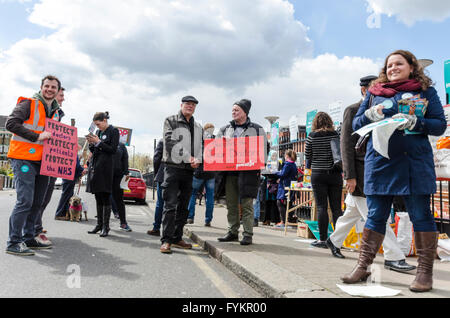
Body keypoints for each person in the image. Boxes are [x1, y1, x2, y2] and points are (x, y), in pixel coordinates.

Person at [343, 50, 446, 293]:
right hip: (381, 162)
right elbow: (356, 125)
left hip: (413, 163)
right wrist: (367, 115)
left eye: (399, 64)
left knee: (420, 214)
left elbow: (440, 124)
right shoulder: (374, 93)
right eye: (389, 65)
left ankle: (424, 273)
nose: (393, 68)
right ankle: (363, 266)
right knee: (376, 214)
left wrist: (416, 123)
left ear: (411, 66)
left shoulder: (426, 91)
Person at [326, 75, 416, 273]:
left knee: (353, 213)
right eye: (376, 88)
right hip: (360, 174)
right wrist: (349, 175)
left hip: (376, 171)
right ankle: (394, 256)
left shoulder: (383, 111)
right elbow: (346, 144)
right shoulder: (353, 110)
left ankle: (333, 240)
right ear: (365, 90)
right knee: (378, 216)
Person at [5, 75, 62, 255]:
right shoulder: (29, 104)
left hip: (43, 162)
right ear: (41, 87)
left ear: (57, 90)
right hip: (23, 159)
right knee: (25, 201)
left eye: (53, 87)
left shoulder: (55, 111)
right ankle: (14, 242)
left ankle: (29, 237)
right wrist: (36, 136)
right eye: (47, 86)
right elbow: (10, 123)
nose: (50, 89)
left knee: (38, 202)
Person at [216, 99, 267, 245]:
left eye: (237, 110)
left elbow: (264, 150)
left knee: (247, 204)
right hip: (230, 172)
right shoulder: (224, 129)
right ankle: (232, 231)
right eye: (232, 110)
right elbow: (216, 148)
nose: (233, 112)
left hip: (248, 172)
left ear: (245, 112)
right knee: (231, 203)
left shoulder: (257, 129)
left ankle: (248, 234)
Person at [160, 96, 203, 254]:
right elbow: (170, 141)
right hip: (172, 167)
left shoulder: (198, 127)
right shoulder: (170, 120)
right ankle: (166, 241)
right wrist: (188, 157)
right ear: (181, 105)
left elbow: (201, 146)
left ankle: (177, 237)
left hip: (189, 170)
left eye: (193, 105)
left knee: (184, 207)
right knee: (170, 205)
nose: (190, 107)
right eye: (187, 104)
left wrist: (198, 159)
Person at [305, 112, 343, 249]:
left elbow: (308, 155)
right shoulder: (335, 135)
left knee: (321, 207)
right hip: (335, 174)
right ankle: (338, 241)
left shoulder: (312, 136)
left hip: (318, 174)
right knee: (336, 208)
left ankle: (322, 240)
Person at [33, 86, 66, 244]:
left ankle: (36, 226)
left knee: (45, 198)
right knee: (36, 198)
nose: (63, 98)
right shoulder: (41, 109)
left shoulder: (57, 113)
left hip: (50, 161)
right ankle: (35, 229)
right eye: (61, 95)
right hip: (38, 159)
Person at [86, 112, 119, 238]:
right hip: (96, 166)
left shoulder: (113, 131)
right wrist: (91, 143)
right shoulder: (99, 133)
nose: (98, 127)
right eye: (96, 125)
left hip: (106, 167)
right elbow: (95, 150)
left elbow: (112, 150)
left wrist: (99, 142)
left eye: (99, 124)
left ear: (104, 120)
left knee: (105, 195)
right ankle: (99, 224)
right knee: (98, 195)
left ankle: (106, 226)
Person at [187, 123, 216, 227]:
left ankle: (190, 217)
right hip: (211, 172)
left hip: (199, 171)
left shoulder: (199, 140)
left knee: (192, 194)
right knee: (210, 197)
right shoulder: (216, 141)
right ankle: (208, 220)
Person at [54, 152, 85, 220]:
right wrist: (82, 170)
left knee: (68, 196)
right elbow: (76, 165)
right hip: (69, 176)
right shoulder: (71, 153)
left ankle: (66, 214)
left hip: (68, 175)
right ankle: (59, 214)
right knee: (66, 196)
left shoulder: (70, 152)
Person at [111, 142, 131, 232]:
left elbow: (125, 159)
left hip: (118, 176)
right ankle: (103, 224)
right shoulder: (102, 142)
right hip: (105, 175)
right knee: (104, 199)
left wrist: (126, 172)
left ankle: (123, 223)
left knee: (119, 200)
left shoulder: (121, 146)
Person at [275, 149, 298, 227]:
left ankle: (283, 221)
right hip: (290, 185)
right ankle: (289, 220)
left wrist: (275, 172)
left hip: (285, 187)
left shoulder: (288, 164)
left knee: (280, 202)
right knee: (288, 203)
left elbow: (283, 174)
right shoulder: (294, 164)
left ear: (287, 156)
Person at [147, 139, 164, 236]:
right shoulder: (183, 140)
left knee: (160, 204)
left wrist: (157, 174)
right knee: (173, 205)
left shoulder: (163, 141)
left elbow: (156, 159)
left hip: (163, 176)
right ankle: (172, 231)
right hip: (176, 177)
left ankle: (156, 227)